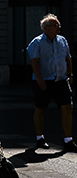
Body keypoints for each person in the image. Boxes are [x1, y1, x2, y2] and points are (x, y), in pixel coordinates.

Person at [26, 14, 76, 152]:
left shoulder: (62, 40)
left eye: (59, 25)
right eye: (56, 25)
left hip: (61, 79)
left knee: (67, 107)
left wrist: (70, 74)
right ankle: (39, 137)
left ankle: (68, 140)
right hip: (44, 81)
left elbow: (68, 58)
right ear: (46, 28)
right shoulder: (36, 42)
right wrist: (40, 79)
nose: (59, 27)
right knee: (40, 109)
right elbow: (34, 62)